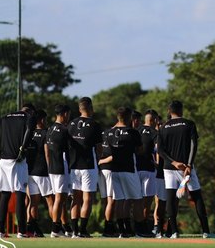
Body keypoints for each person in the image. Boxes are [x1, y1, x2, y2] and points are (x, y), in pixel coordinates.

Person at [158, 100, 213, 239]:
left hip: (170, 168)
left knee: (171, 199)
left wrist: (174, 162)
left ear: (169, 111)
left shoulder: (163, 127)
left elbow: (160, 150)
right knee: (197, 197)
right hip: (187, 168)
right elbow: (194, 145)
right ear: (181, 110)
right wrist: (188, 164)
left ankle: (174, 232)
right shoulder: (189, 124)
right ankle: (206, 232)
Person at [0, 102, 37, 238]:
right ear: (30, 111)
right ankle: (21, 231)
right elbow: (30, 130)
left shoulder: (5, 117)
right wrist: (23, 148)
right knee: (20, 194)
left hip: (4, 160)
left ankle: (0, 231)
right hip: (18, 160)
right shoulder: (29, 117)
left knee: (5, 195)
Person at [100, 106, 148, 238]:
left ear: (117, 117)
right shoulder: (133, 132)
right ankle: (141, 230)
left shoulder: (109, 132)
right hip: (129, 170)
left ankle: (122, 230)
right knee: (137, 200)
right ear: (129, 118)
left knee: (120, 200)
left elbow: (106, 151)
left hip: (114, 170)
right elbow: (140, 150)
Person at [67, 97, 103, 238]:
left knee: (75, 199)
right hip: (88, 165)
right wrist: (99, 159)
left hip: (74, 166)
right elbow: (99, 148)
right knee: (87, 198)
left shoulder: (71, 124)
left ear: (79, 109)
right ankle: (82, 230)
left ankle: (74, 231)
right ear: (91, 108)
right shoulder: (95, 124)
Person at [25, 109, 53, 237]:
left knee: (33, 202)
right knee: (50, 201)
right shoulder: (45, 133)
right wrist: (50, 170)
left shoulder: (28, 133)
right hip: (42, 172)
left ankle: (32, 228)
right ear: (41, 120)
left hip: (29, 172)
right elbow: (47, 153)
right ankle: (56, 228)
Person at [46, 104, 73, 238]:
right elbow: (69, 150)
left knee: (60, 199)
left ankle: (64, 227)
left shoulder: (50, 129)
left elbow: (47, 150)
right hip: (61, 167)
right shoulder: (64, 130)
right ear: (64, 114)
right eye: (68, 114)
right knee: (59, 199)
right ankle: (55, 229)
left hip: (52, 167)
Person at [138, 110, 158, 235]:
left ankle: (135, 227)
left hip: (135, 170)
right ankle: (143, 228)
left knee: (136, 201)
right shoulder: (154, 132)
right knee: (147, 202)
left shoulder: (137, 130)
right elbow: (158, 150)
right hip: (149, 170)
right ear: (153, 120)